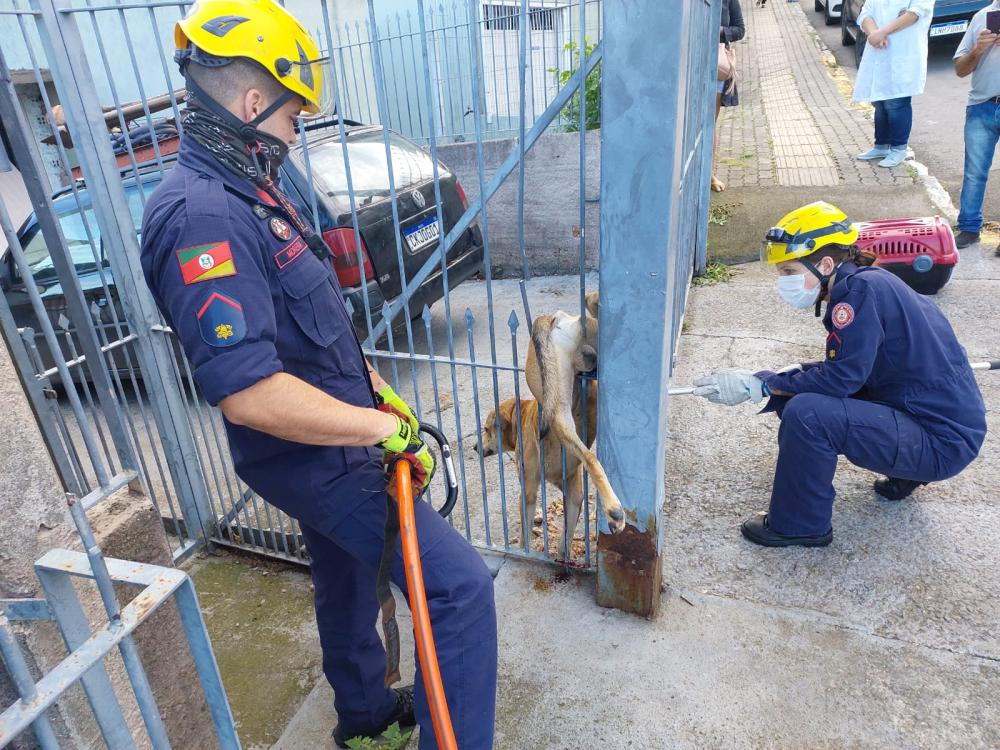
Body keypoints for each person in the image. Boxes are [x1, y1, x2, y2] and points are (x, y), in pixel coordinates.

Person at [139, 2, 497, 747]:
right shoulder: (204, 217)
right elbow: (249, 392)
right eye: (292, 115)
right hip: (315, 459)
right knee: (459, 590)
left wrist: (379, 392)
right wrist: (379, 430)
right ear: (251, 103)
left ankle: (364, 719)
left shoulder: (254, 189)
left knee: (345, 578)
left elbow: (314, 323)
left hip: (334, 438)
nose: (297, 131)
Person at [692, 202, 986, 548]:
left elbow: (841, 379)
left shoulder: (857, 294)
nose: (783, 282)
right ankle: (907, 472)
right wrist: (772, 381)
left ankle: (799, 524)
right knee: (802, 387)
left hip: (940, 442)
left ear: (826, 265)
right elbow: (851, 370)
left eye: (788, 271)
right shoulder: (870, 283)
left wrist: (765, 384)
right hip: (940, 423)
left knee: (808, 414)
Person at [852, 0, 934, 169]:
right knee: (879, 102)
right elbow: (866, 12)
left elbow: (914, 14)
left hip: (903, 52)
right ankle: (881, 145)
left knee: (896, 103)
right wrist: (874, 34)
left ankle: (899, 148)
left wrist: (882, 32)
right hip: (878, 49)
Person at [953, 3, 1000, 253]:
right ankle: (969, 228)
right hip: (981, 105)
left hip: (982, 107)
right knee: (974, 172)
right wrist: (977, 50)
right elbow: (960, 69)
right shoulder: (981, 16)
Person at [713, 0, 746, 193]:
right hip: (688, 62)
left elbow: (740, 29)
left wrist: (719, 31)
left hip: (717, 66)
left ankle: (710, 174)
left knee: (709, 123)